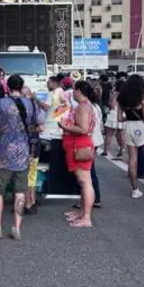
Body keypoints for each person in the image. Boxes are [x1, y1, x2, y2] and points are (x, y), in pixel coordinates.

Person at [0, 75, 41, 240]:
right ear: (22, 87)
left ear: (7, 88)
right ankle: (17, 227)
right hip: (23, 152)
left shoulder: (2, 103)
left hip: (4, 153)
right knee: (20, 191)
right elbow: (36, 125)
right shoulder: (30, 103)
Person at [60, 81, 97, 228]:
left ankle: (86, 217)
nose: (73, 93)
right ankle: (83, 212)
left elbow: (83, 129)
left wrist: (64, 126)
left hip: (79, 145)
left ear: (79, 91)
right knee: (83, 182)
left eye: (74, 90)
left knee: (84, 181)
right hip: (78, 144)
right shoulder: (85, 106)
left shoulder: (82, 107)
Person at [118, 74, 144, 198]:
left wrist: (128, 118)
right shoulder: (142, 98)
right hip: (142, 128)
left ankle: (135, 190)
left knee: (132, 160)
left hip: (129, 128)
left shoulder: (122, 99)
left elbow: (120, 119)